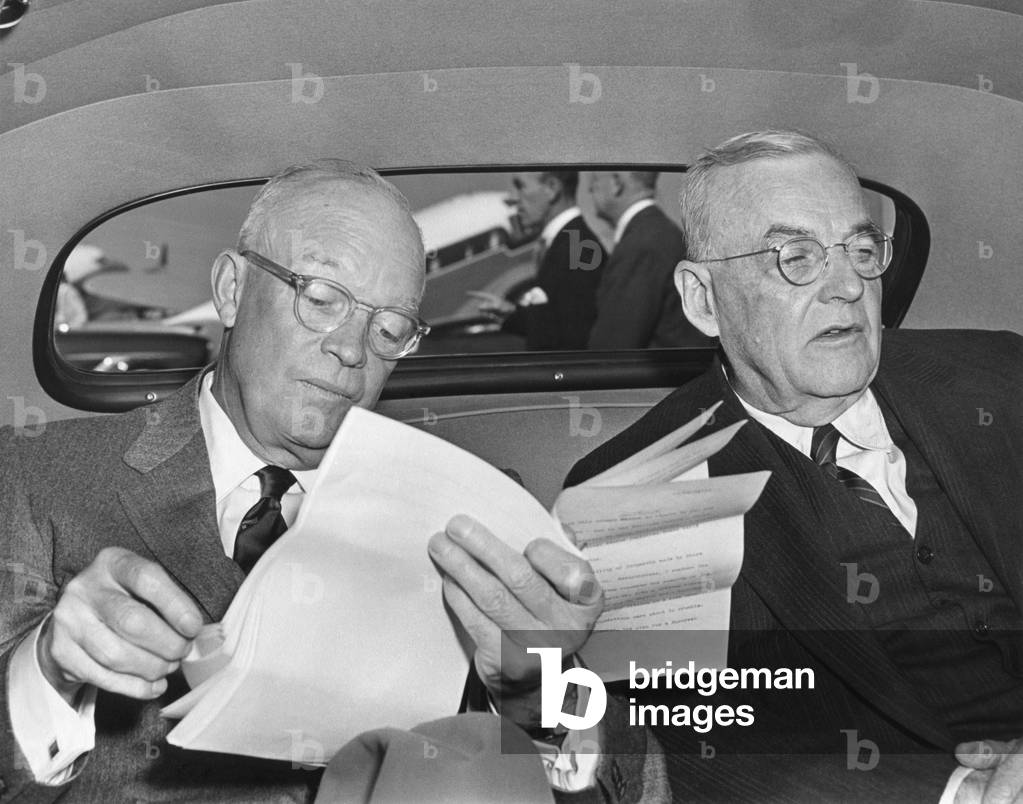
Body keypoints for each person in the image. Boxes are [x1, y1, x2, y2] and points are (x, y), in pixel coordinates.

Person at [0, 160, 616, 802]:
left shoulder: (469, 513)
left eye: (390, 328)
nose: (353, 349)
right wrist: (48, 670)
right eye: (321, 299)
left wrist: (531, 691)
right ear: (232, 289)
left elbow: (623, 788)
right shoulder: (36, 477)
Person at [566, 131, 1023, 802]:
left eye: (861, 250)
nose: (845, 286)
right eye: (794, 258)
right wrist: (960, 793)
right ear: (700, 299)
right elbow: (667, 749)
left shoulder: (998, 379)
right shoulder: (641, 492)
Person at [475, 171, 605, 350]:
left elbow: (576, 334)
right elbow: (560, 319)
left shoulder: (579, 248)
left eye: (521, 187)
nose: (513, 199)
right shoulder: (570, 243)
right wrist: (513, 314)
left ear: (552, 188)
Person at [585, 171, 708, 349]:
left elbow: (612, 348)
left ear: (616, 183)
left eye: (595, 179)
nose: (590, 188)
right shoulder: (655, 232)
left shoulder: (641, 245)